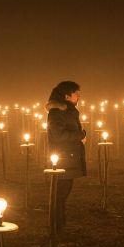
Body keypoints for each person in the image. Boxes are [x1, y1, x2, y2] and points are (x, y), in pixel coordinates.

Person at [46, 81, 87, 230]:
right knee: (60, 194)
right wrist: (80, 136)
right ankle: (56, 225)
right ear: (66, 96)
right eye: (76, 93)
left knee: (64, 193)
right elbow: (59, 135)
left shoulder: (68, 112)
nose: (79, 96)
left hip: (69, 157)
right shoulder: (57, 112)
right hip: (63, 158)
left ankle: (59, 223)